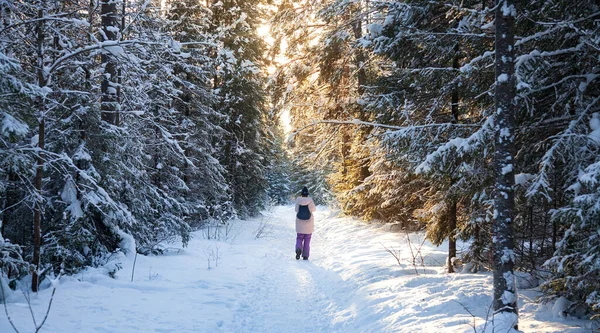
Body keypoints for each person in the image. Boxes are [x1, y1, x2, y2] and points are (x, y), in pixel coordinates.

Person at [295, 186, 316, 260]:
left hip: (299, 223)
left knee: (299, 238)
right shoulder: (310, 200)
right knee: (307, 239)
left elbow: (296, 210)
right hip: (309, 223)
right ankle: (305, 255)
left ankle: (298, 249)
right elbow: (313, 209)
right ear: (307, 194)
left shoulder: (298, 200)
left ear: (301, 194)